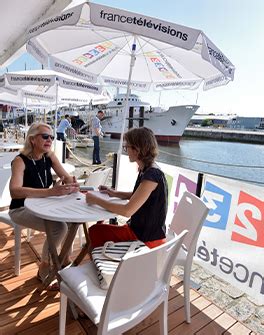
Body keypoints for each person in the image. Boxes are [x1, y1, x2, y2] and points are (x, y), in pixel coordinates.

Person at [9, 122, 79, 289]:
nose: (50, 140)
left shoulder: (49, 156)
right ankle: (44, 267)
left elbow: (66, 176)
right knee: (59, 228)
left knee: (71, 221)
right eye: (45, 136)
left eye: (52, 137)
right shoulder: (20, 161)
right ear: (32, 139)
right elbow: (15, 192)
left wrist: (70, 183)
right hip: (20, 208)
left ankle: (63, 259)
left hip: (44, 206)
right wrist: (51, 192)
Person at [86, 127, 168, 249]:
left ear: (137, 149)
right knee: (97, 231)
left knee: (95, 231)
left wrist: (95, 200)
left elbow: (127, 211)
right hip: (143, 231)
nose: (126, 150)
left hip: (146, 240)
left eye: (127, 147)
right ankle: (105, 260)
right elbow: (139, 196)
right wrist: (113, 193)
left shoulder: (151, 175)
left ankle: (108, 265)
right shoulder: (148, 169)